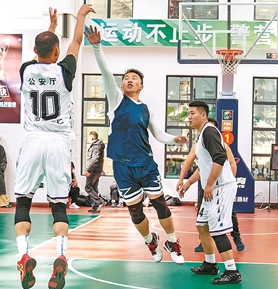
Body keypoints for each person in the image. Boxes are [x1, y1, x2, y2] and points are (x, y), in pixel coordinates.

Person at [86, 25, 188, 265]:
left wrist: (174, 139)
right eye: (126, 79)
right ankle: (150, 240)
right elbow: (105, 72)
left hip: (145, 165)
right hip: (123, 167)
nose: (129, 80)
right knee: (135, 211)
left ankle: (172, 241)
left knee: (160, 204)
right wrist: (97, 47)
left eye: (134, 78)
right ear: (121, 86)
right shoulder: (116, 100)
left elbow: (158, 134)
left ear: (141, 86)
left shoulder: (145, 109)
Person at [12, 4, 92, 289]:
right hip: (58, 143)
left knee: (23, 203)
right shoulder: (65, 71)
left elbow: (43, 52)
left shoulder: (25, 70)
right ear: (57, 52)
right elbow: (77, 42)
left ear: (35, 50)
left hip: (33, 141)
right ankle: (61, 256)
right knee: (59, 206)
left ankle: (24, 256)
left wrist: (51, 27)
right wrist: (80, 17)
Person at [179, 101, 241, 284]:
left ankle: (232, 271)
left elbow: (220, 158)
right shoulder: (202, 136)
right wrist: (189, 182)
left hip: (220, 187)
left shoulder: (209, 131)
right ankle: (210, 264)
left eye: (192, 113)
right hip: (213, 187)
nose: (189, 117)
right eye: (188, 113)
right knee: (202, 225)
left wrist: (209, 184)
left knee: (217, 229)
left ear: (203, 115)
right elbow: (204, 166)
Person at [177, 117, 245, 252]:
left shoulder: (222, 146)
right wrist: (185, 181)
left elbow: (232, 164)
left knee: (229, 215)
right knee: (202, 219)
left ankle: (236, 237)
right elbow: (193, 165)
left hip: (221, 187)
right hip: (207, 187)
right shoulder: (198, 146)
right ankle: (204, 243)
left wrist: (226, 182)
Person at [85, 131, 106, 213]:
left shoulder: (95, 146)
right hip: (97, 170)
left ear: (92, 137)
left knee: (88, 187)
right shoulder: (98, 145)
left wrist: (89, 170)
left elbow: (95, 159)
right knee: (93, 187)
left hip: (94, 170)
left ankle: (99, 202)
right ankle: (95, 207)